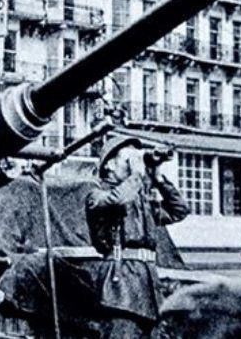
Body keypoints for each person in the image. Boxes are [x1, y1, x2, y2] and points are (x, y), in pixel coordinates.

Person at [85, 136, 190, 338]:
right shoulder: (97, 194)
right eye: (128, 159)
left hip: (146, 283)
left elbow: (179, 211)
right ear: (109, 165)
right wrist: (138, 174)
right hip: (120, 285)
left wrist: (158, 178)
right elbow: (118, 199)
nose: (134, 163)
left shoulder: (140, 200)